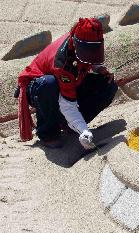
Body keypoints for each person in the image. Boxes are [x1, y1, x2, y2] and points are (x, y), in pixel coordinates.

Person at [17, 17, 117, 149]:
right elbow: (68, 105)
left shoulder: (83, 44)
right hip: (38, 87)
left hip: (70, 82)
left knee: (108, 85)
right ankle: (48, 133)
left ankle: (69, 124)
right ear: (75, 43)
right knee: (49, 84)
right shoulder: (62, 62)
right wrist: (84, 131)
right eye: (87, 50)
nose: (90, 53)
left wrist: (99, 69)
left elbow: (91, 57)